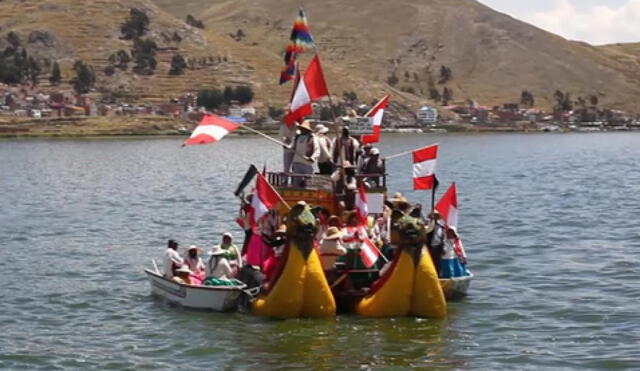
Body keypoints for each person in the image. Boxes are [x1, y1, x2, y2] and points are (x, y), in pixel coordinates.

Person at [290, 120, 319, 185]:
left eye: (304, 129)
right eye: (302, 129)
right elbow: (291, 146)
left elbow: (317, 150)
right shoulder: (297, 137)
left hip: (307, 163)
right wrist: (287, 146)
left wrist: (312, 158)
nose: (302, 130)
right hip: (297, 162)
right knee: (296, 182)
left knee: (308, 182)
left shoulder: (313, 138)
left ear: (307, 130)